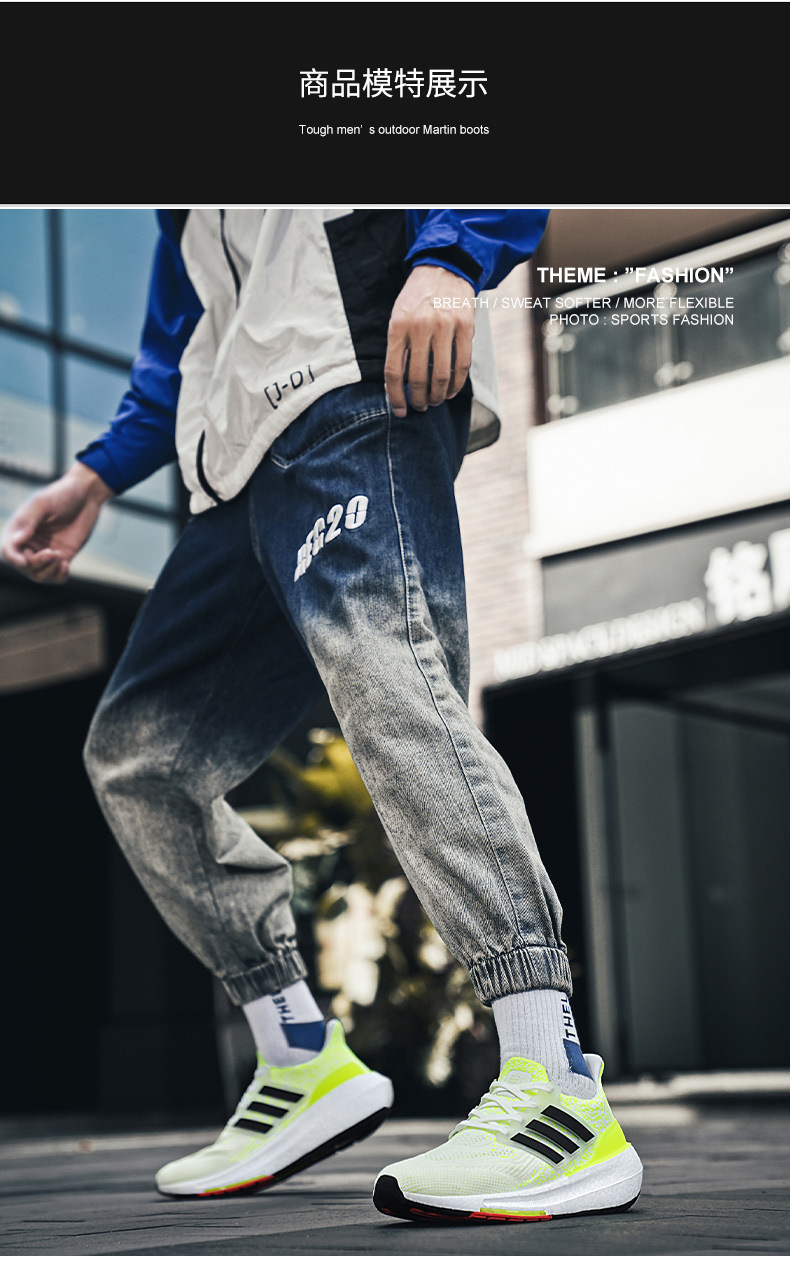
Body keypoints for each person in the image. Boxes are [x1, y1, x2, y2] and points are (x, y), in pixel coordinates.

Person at [1, 208, 642, 1222]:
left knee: (389, 680)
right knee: (141, 756)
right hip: (239, 468)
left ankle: (554, 1081)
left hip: (354, 384)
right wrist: (98, 473)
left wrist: (452, 256)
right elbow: (189, 328)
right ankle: (300, 1050)